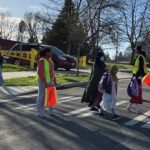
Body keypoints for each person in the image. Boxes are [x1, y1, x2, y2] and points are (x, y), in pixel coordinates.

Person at [126, 46, 147, 114]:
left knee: (136, 92)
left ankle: (132, 108)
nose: (135, 51)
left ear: (138, 50)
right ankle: (136, 109)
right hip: (137, 77)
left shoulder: (140, 57)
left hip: (137, 77)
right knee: (136, 92)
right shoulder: (140, 57)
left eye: (136, 50)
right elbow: (139, 67)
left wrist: (139, 76)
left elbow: (140, 68)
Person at [36, 48, 56, 117]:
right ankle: (40, 112)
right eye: (50, 52)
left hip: (50, 80)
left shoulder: (50, 60)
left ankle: (51, 111)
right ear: (46, 53)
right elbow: (40, 72)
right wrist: (45, 82)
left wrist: (54, 80)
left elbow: (52, 71)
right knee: (42, 96)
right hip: (43, 81)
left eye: (51, 52)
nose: (51, 53)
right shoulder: (41, 61)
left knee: (51, 96)